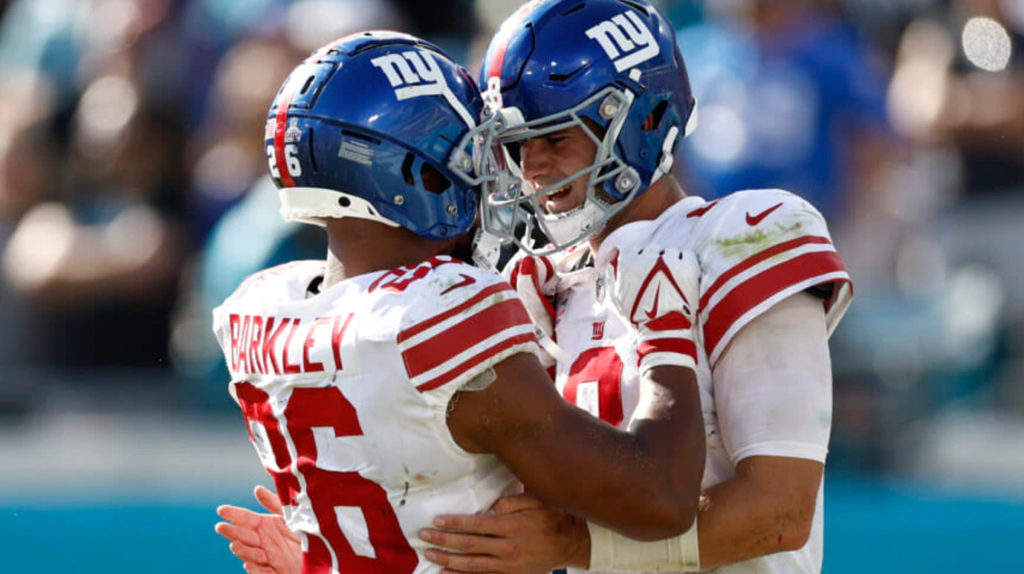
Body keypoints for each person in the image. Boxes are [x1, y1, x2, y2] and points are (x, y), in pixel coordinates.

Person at [217, 1, 854, 573]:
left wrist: (582, 549)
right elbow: (493, 522)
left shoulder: (745, 237)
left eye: (554, 138)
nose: (532, 168)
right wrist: (340, 553)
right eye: (516, 148)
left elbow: (779, 513)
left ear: (644, 118)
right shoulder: (534, 280)